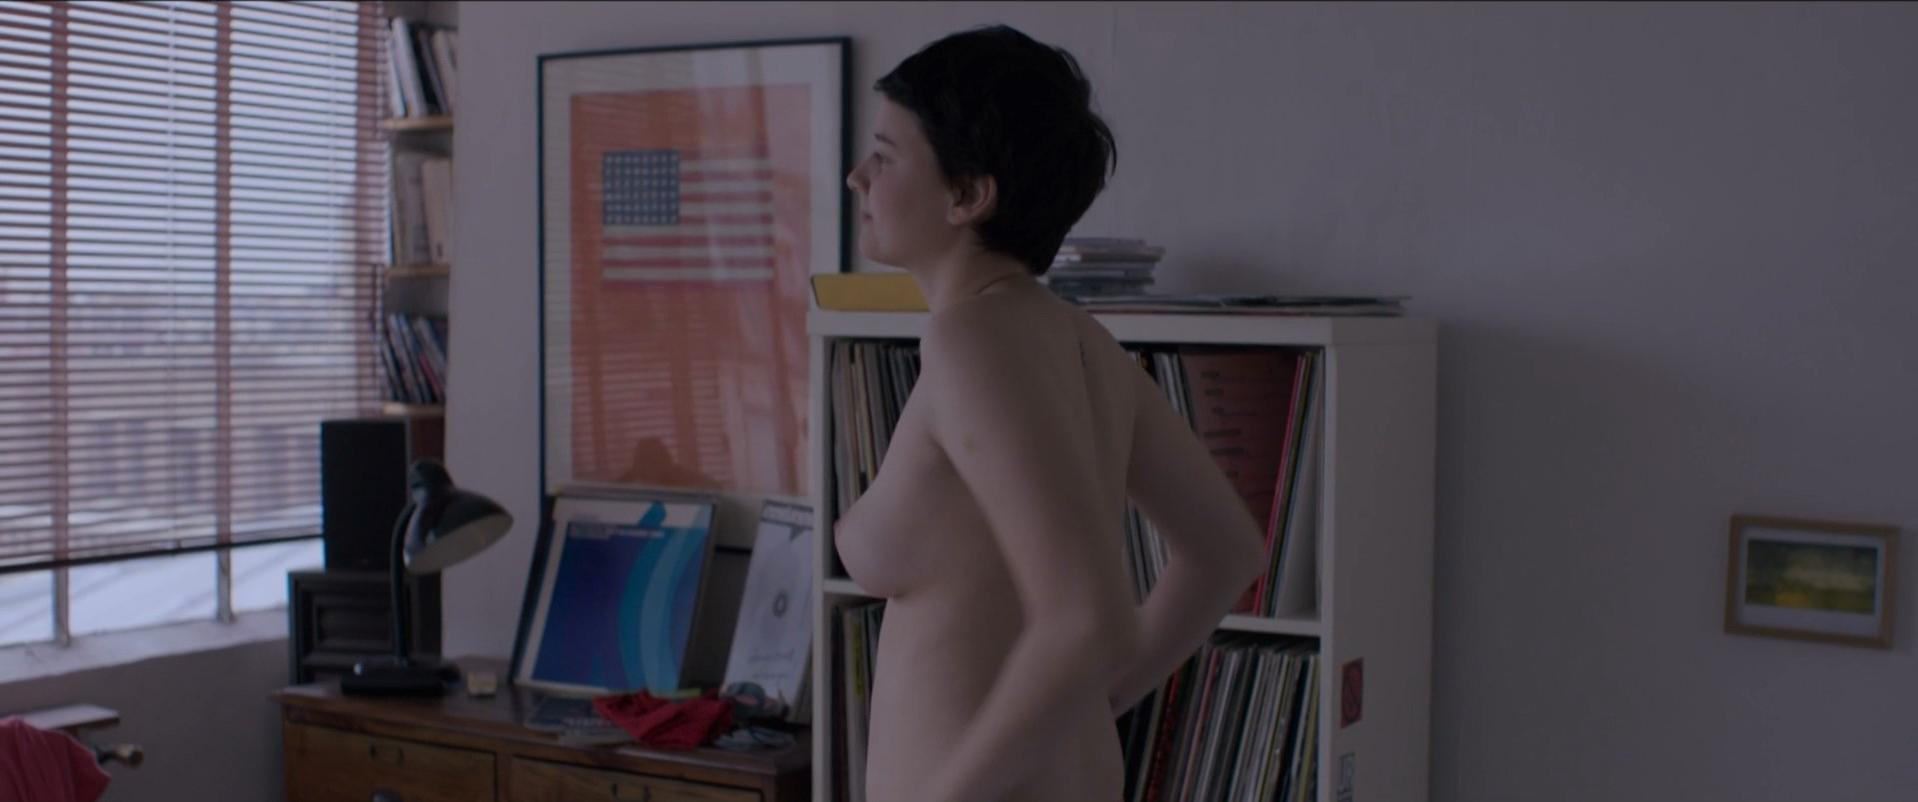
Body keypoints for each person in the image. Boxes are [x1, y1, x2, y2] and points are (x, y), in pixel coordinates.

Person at [835, 25, 1266, 802]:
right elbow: (1226, 551)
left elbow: (1087, 618)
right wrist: (1084, 703)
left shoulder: (971, 340)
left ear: (968, 195)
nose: (857, 176)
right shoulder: (1080, 340)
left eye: (886, 156)